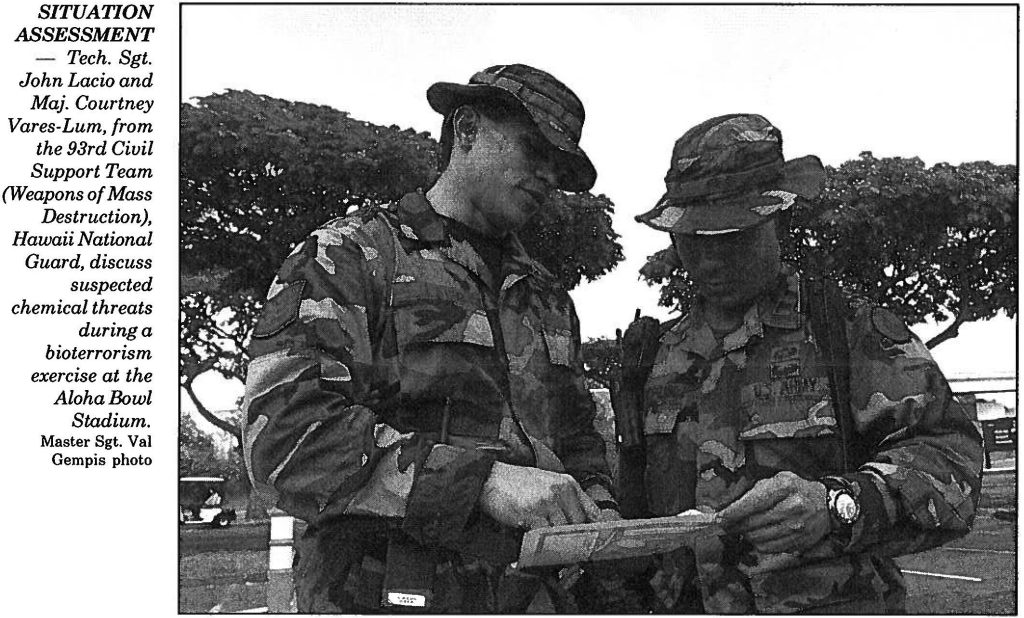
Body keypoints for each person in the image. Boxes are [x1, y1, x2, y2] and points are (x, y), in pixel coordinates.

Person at [241, 64, 618, 613]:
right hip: (382, 594)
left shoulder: (546, 296)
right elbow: (285, 440)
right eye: (532, 149)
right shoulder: (350, 256)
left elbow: (578, 436)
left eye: (557, 167)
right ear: (465, 130)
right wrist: (482, 482)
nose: (546, 176)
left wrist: (601, 508)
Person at [614, 113, 983, 613]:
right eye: (693, 240)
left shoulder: (849, 332)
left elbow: (954, 458)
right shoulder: (654, 357)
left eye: (732, 236)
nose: (711, 259)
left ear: (777, 219)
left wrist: (837, 505)